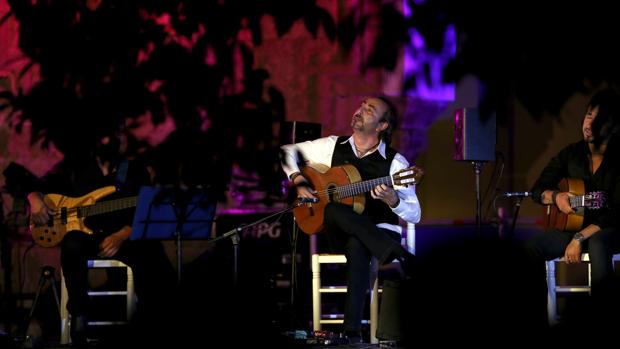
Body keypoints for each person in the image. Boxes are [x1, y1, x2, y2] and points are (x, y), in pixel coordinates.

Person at [280, 96, 421, 343]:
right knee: (333, 210)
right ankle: (399, 255)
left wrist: (393, 200)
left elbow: (415, 214)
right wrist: (299, 181)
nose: (360, 111)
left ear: (382, 126)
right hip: (339, 232)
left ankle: (351, 333)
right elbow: (286, 152)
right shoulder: (332, 146)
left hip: (379, 230)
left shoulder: (397, 163)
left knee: (358, 244)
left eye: (370, 110)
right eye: (362, 106)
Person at [27, 124, 176, 346]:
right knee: (71, 243)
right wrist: (36, 201)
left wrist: (124, 233)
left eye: (122, 135)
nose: (119, 140)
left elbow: (147, 210)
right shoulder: (75, 167)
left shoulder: (135, 170)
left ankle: (153, 324)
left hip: (125, 237)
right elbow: (36, 187)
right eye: (114, 134)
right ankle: (78, 315)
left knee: (150, 252)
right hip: (88, 236)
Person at [526, 88, 620, 331]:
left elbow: (616, 211)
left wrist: (579, 238)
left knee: (599, 244)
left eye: (598, 118)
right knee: (531, 249)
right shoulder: (571, 154)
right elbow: (538, 189)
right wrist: (556, 197)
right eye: (588, 115)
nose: (589, 123)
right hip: (573, 228)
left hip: (610, 229)